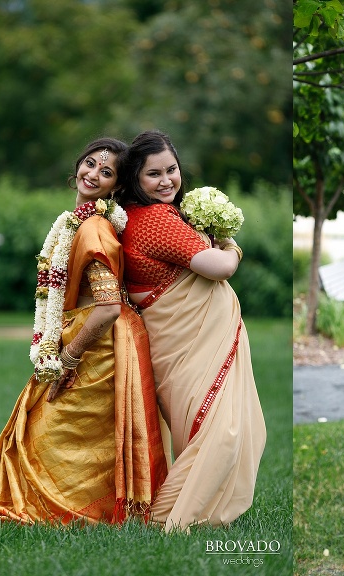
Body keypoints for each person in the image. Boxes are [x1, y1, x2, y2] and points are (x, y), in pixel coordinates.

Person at [0, 137, 166, 524]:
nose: (92, 173)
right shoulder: (78, 220)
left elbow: (107, 310)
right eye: (90, 163)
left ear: (116, 186)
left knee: (59, 429)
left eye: (106, 172)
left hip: (97, 350)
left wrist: (67, 358)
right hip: (89, 339)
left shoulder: (95, 228)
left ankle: (72, 509)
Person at [116, 130, 266, 532]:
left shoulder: (141, 216)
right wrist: (229, 245)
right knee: (219, 433)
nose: (166, 180)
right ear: (135, 180)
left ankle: (192, 508)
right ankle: (172, 514)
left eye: (172, 170)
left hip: (183, 343)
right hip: (187, 344)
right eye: (154, 174)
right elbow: (220, 268)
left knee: (203, 429)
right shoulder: (155, 220)